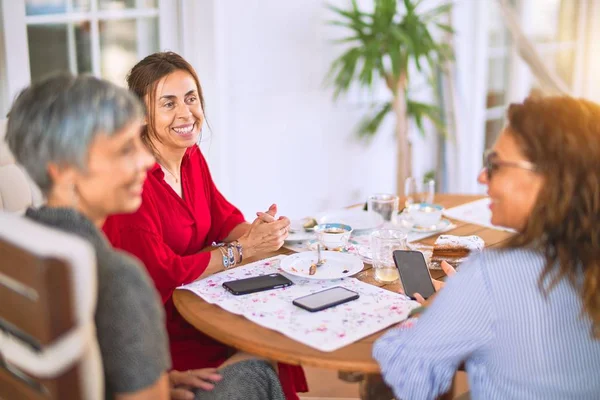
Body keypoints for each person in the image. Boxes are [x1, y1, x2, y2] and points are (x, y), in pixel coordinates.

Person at [5, 73, 286, 400]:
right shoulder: (121, 278)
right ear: (65, 169)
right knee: (260, 366)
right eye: (125, 150)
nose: (144, 160)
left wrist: (161, 381)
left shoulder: (15, 246)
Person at [102, 52, 307, 400]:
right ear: (141, 113)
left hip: (200, 306)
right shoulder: (133, 183)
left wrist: (262, 233)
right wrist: (243, 251)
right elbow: (163, 273)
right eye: (168, 104)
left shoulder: (191, 157)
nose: (186, 113)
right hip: (161, 332)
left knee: (278, 330)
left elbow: (223, 218)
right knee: (268, 343)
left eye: (191, 98)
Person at [373, 96, 600, 400]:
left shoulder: (492, 274)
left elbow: (410, 378)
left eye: (495, 164)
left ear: (548, 177)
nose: (482, 176)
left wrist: (436, 312)